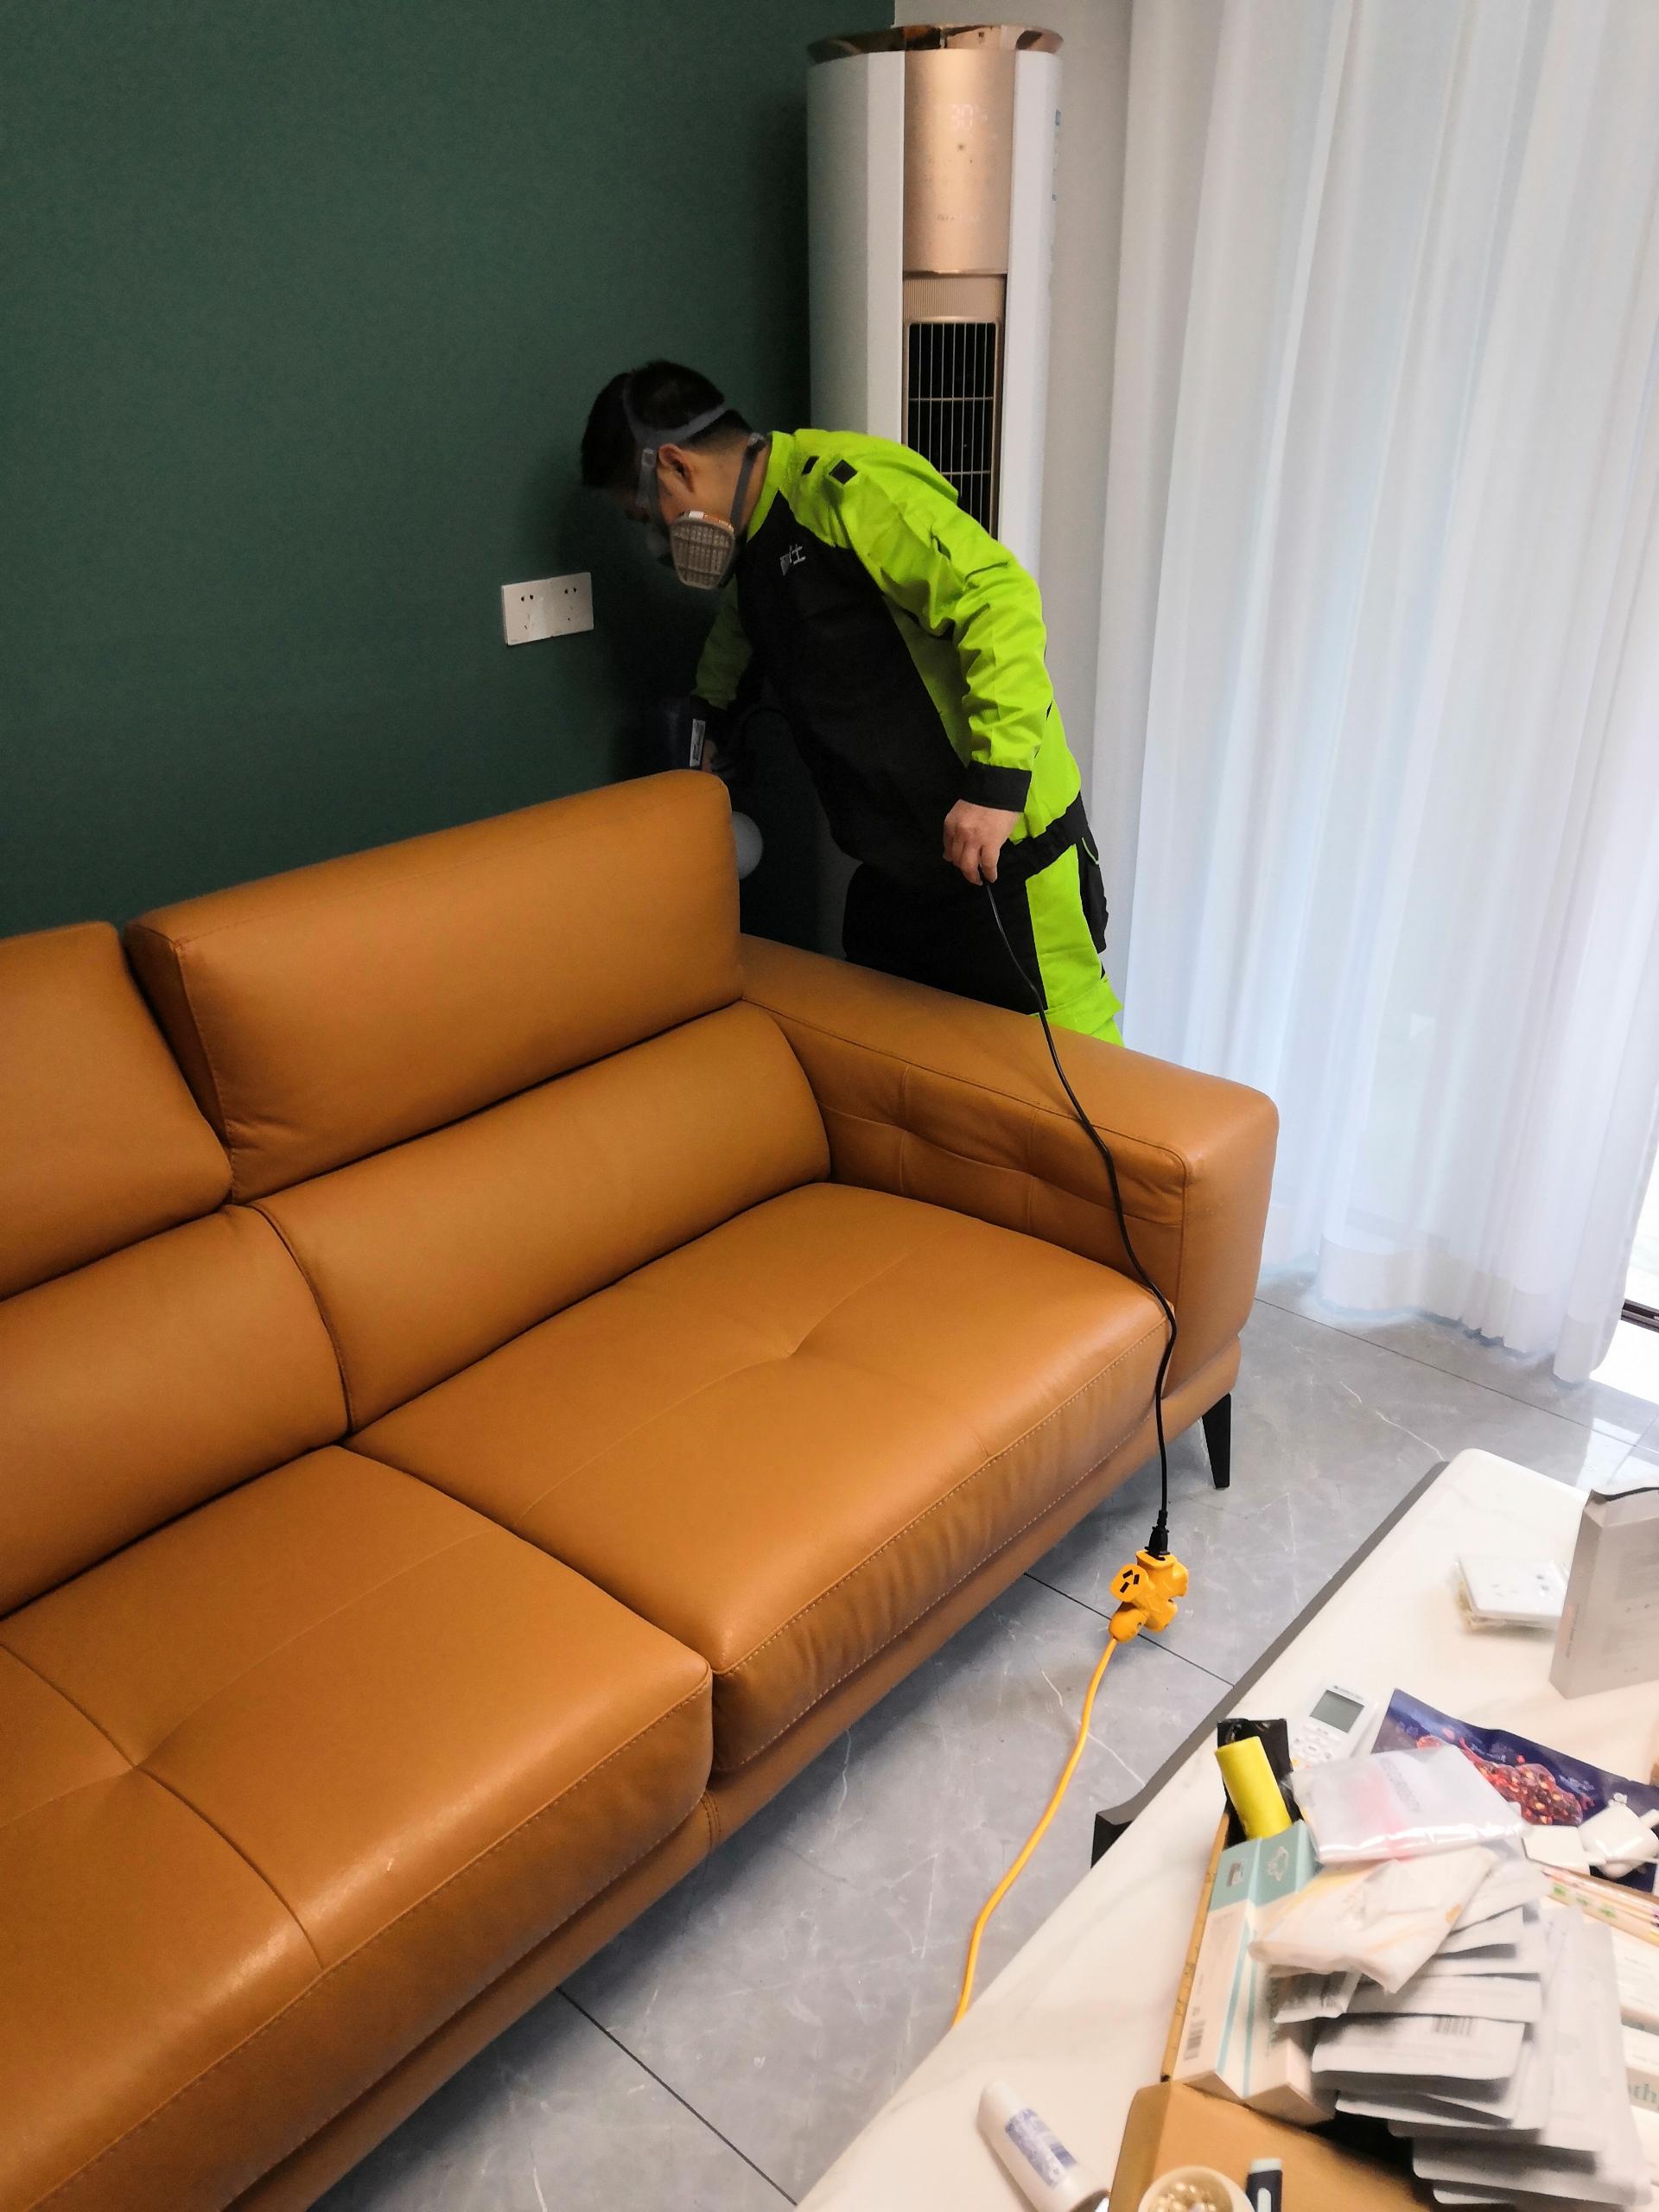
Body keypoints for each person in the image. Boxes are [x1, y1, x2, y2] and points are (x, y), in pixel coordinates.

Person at [579, 359, 1124, 1042]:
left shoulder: (845, 489)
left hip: (1002, 855)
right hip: (901, 870)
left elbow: (998, 600)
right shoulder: (755, 555)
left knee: (1070, 1073)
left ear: (675, 468)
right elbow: (736, 646)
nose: (658, 539)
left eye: (647, 516)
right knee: (894, 1065)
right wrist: (706, 722)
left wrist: (996, 788)